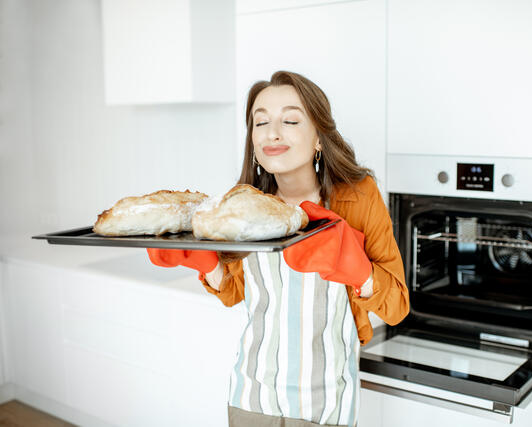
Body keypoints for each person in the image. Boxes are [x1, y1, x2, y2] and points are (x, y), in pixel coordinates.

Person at [147, 71, 410, 427]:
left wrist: (360, 271)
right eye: (261, 122)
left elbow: (396, 306)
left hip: (326, 399)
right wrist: (205, 263)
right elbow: (235, 292)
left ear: (319, 136)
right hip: (251, 393)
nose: (273, 133)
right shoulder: (242, 204)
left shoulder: (357, 197)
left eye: (290, 120)